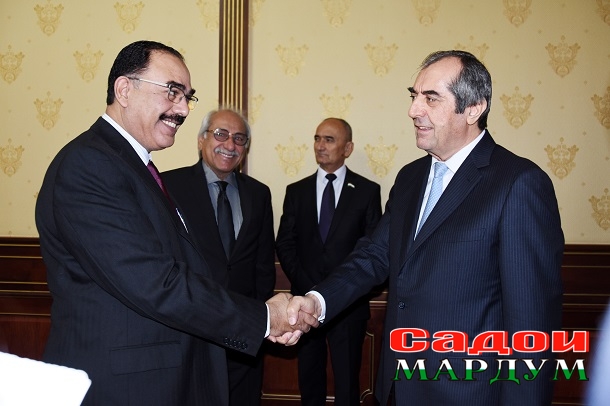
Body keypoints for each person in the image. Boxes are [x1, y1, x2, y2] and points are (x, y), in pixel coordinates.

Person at [34, 40, 314, 406]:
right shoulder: (89, 165)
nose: (182, 109)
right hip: (123, 387)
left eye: (186, 97)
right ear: (125, 90)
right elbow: (153, 282)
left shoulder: (134, 167)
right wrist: (263, 318)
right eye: (171, 92)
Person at [286, 50, 564, 405]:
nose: (414, 110)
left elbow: (532, 326)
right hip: (398, 385)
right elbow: (374, 256)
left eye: (431, 98)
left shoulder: (518, 183)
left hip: (467, 393)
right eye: (414, 96)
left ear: (473, 108)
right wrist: (317, 301)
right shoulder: (409, 177)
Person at [162, 108, 276, 406]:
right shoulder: (169, 187)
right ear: (201, 139)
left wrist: (257, 317)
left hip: (244, 333)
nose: (230, 145)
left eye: (239, 138)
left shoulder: (259, 194)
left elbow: (263, 263)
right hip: (191, 326)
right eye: (220, 134)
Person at [276, 118, 382, 406]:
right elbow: (284, 243)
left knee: (347, 381)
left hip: (349, 305)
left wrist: (338, 289)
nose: (320, 145)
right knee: (309, 379)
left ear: (348, 148)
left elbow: (372, 247)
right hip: (303, 305)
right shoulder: (296, 191)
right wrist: (309, 287)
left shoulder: (367, 191)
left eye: (329, 139)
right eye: (317, 138)